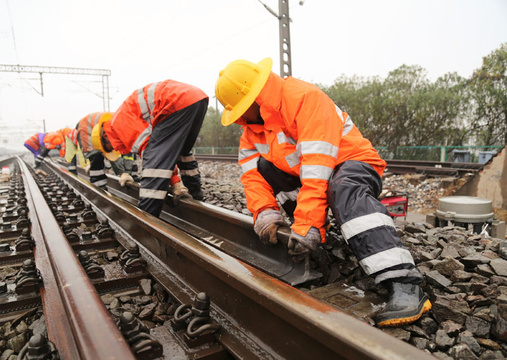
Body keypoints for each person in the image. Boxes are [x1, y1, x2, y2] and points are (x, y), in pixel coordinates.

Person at [214, 57, 431, 327]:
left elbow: (317, 170)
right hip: (316, 174)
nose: (240, 121)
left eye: (242, 112)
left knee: (344, 188)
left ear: (256, 99)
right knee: (263, 166)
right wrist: (265, 212)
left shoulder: (303, 98)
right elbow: (252, 177)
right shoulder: (251, 133)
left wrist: (308, 222)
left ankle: (405, 283)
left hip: (354, 163)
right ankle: (315, 238)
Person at [92, 80, 209, 217]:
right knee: (183, 152)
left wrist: (175, 182)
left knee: (153, 166)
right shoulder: (124, 115)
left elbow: (153, 154)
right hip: (197, 99)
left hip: (174, 103)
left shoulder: (118, 123)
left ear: (105, 136)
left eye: (109, 148)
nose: (114, 150)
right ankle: (196, 196)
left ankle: (147, 219)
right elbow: (167, 153)